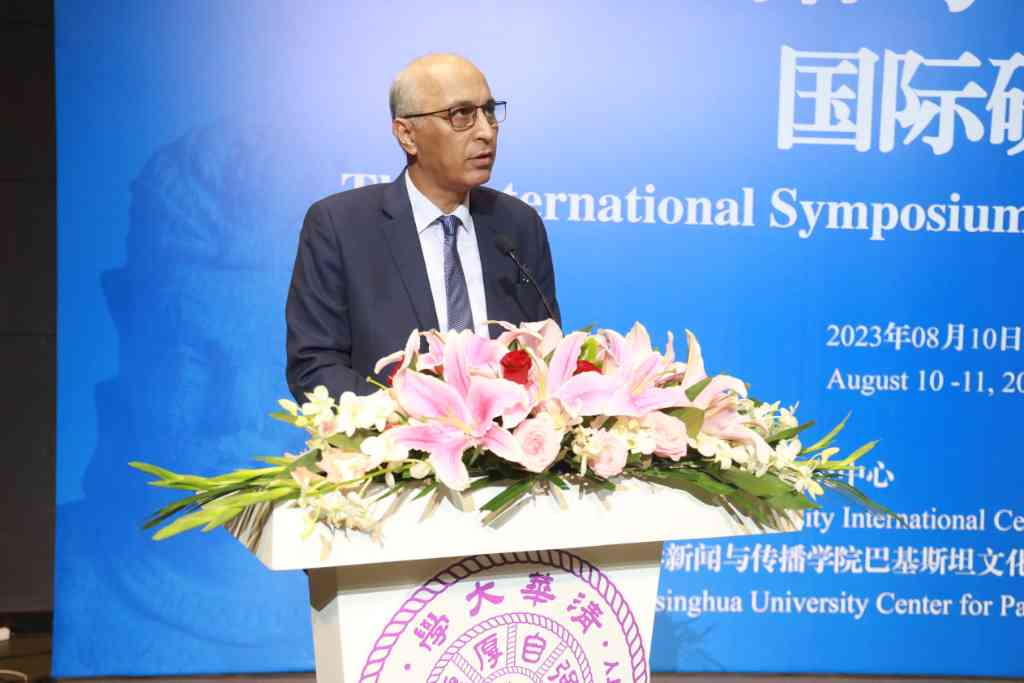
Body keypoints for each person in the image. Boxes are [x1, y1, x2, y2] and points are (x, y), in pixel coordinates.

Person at [286, 53, 560, 401]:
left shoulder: (518, 224)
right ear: (407, 135)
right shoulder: (340, 226)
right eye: (461, 114)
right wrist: (413, 421)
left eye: (489, 111)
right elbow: (314, 365)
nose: (486, 131)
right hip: (391, 434)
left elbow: (547, 354)